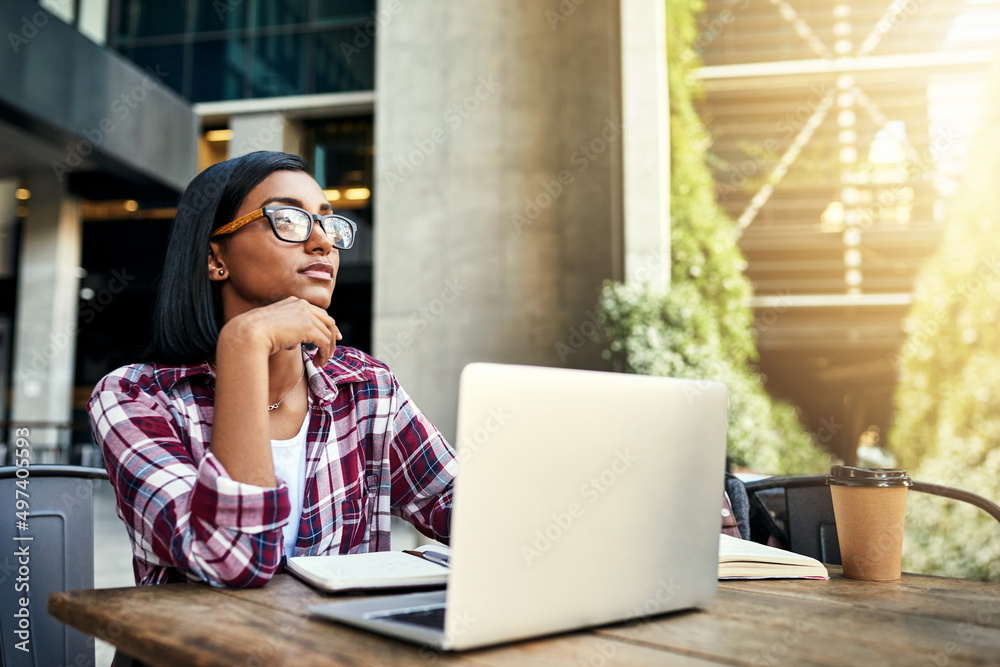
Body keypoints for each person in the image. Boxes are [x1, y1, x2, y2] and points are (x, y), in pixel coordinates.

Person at [88, 151, 455, 588]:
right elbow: (233, 559)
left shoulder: (364, 385)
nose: (322, 242)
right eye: (288, 219)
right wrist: (244, 344)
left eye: (327, 223)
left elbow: (457, 504)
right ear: (214, 258)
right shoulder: (133, 398)